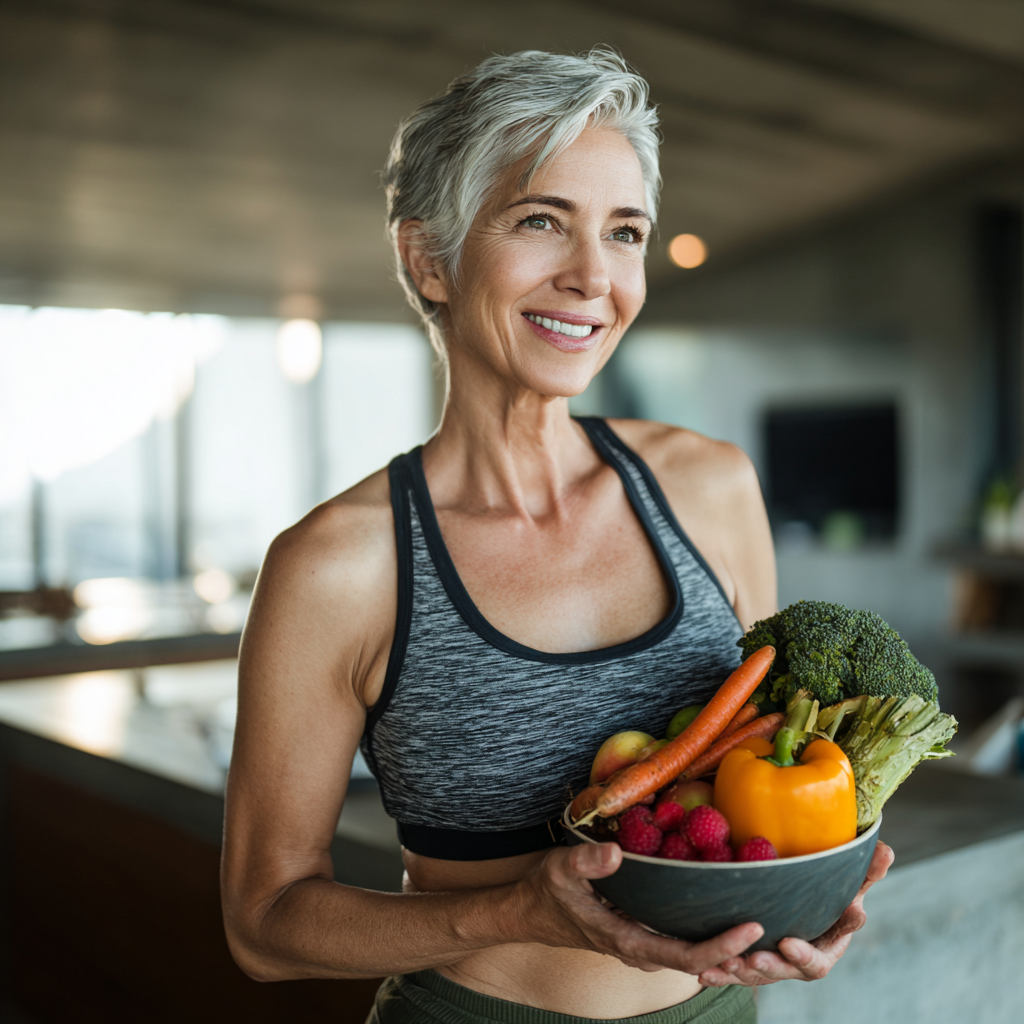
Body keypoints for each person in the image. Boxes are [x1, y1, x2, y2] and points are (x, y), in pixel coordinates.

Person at [221, 49, 893, 1024]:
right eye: (541, 220)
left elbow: (769, 756)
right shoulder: (340, 565)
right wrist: (517, 909)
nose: (592, 277)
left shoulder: (710, 487)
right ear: (427, 258)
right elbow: (264, 924)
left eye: (625, 233)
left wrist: (808, 885)